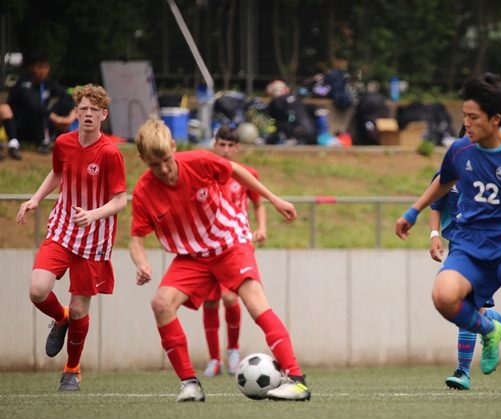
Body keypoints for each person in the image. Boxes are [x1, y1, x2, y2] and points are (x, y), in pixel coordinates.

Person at [395, 73, 501, 401]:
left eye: (473, 117)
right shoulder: (459, 150)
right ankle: (491, 329)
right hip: (470, 244)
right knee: (443, 296)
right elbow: (443, 180)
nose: (466, 124)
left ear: (495, 119)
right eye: (464, 116)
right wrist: (413, 212)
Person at [129, 118, 310, 402]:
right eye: (154, 164)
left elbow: (236, 170)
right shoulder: (143, 192)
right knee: (161, 304)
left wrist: (275, 200)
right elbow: (136, 239)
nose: (163, 169)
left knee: (255, 303)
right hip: (193, 257)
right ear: (143, 160)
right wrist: (141, 262)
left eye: (166, 160)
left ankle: (297, 381)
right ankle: (190, 384)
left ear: (174, 147)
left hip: (229, 242)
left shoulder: (199, 161)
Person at [16, 84, 127, 391]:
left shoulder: (110, 152)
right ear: (75, 112)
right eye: (84, 109)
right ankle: (61, 318)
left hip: (94, 239)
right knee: (38, 290)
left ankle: (72, 369)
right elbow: (57, 173)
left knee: (80, 309)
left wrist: (93, 215)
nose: (88, 114)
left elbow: (120, 200)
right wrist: (35, 199)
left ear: (103, 115)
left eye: (94, 110)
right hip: (62, 229)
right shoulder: (64, 142)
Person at [427, 172, 501, 390]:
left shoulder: (490, 171)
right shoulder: (447, 172)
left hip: (487, 246)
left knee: (468, 305)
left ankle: (463, 372)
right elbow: (435, 204)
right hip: (459, 247)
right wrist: (434, 234)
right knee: (474, 310)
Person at [201, 124, 268, 378]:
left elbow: (258, 203)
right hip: (209, 244)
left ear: (237, 148)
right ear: (214, 144)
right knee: (210, 300)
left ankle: (232, 350)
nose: (226, 150)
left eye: (231, 145)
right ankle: (213, 359)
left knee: (230, 298)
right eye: (222, 144)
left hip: (236, 243)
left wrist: (261, 228)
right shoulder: (204, 173)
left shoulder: (246, 174)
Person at [7, 51, 76, 154]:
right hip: (24, 125)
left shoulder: (48, 83)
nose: (42, 71)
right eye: (39, 67)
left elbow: (67, 96)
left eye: (45, 67)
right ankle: (43, 141)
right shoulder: (23, 84)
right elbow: (34, 105)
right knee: (37, 111)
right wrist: (55, 118)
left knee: (65, 103)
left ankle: (60, 138)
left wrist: (70, 118)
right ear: (31, 68)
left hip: (45, 121)